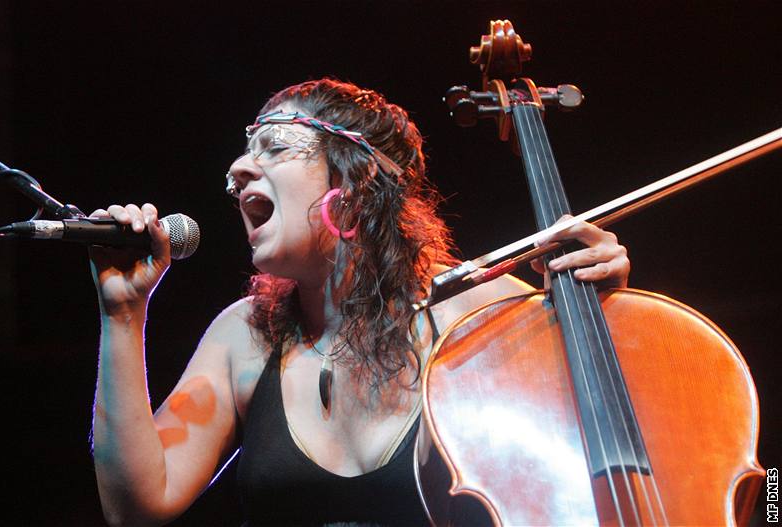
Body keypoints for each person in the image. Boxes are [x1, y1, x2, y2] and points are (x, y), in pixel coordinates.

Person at [89, 78, 630, 526]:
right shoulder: (245, 336)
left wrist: (607, 310)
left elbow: (607, 447)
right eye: (246, 154)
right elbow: (136, 504)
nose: (237, 170)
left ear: (356, 176)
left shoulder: (481, 313)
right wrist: (122, 314)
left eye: (274, 148)